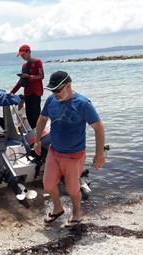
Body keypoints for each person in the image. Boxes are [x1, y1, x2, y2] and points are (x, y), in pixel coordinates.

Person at [34, 71, 106, 227]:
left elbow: (99, 127)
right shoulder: (51, 100)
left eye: (58, 90)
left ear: (68, 85)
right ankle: (58, 208)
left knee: (72, 189)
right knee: (48, 185)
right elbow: (42, 119)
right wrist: (37, 141)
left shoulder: (83, 104)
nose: (55, 94)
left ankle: (76, 212)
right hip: (54, 151)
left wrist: (99, 153)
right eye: (52, 90)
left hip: (74, 155)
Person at [10, 44, 44, 129]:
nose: (22, 56)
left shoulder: (37, 61)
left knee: (36, 115)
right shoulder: (24, 66)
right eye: (21, 55)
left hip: (36, 93)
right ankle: (34, 134)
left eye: (23, 54)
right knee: (29, 116)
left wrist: (29, 77)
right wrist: (12, 92)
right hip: (28, 93)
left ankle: (38, 134)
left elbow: (41, 76)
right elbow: (21, 81)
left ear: (28, 52)